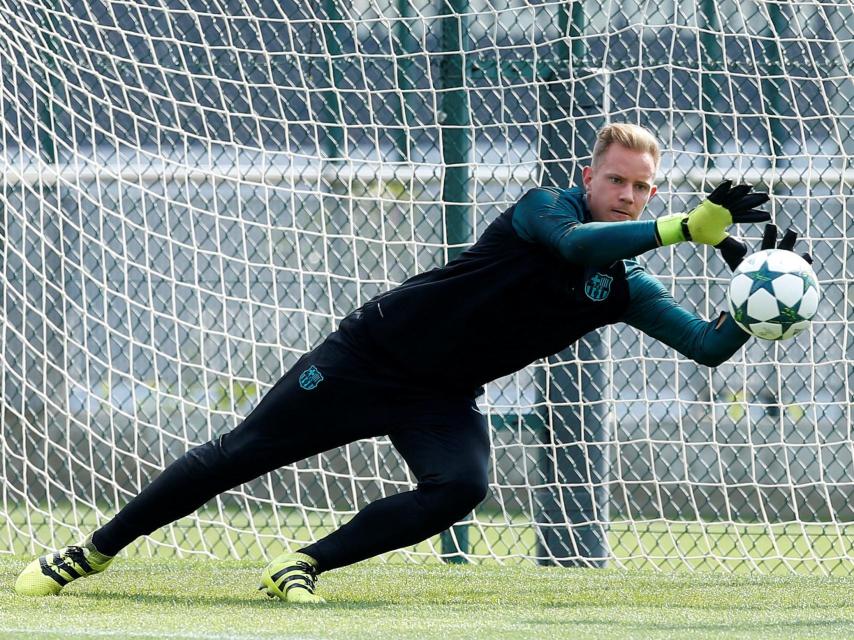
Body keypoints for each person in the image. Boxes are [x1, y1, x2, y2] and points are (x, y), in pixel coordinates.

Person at [14, 123, 805, 603]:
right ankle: (93, 551)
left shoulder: (623, 283)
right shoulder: (545, 208)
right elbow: (572, 246)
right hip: (367, 356)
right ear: (589, 177)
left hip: (440, 394)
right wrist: (680, 228)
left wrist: (759, 300)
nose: (630, 196)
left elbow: (706, 346)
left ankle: (302, 564)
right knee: (239, 456)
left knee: (461, 487)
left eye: (644, 188)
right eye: (619, 182)